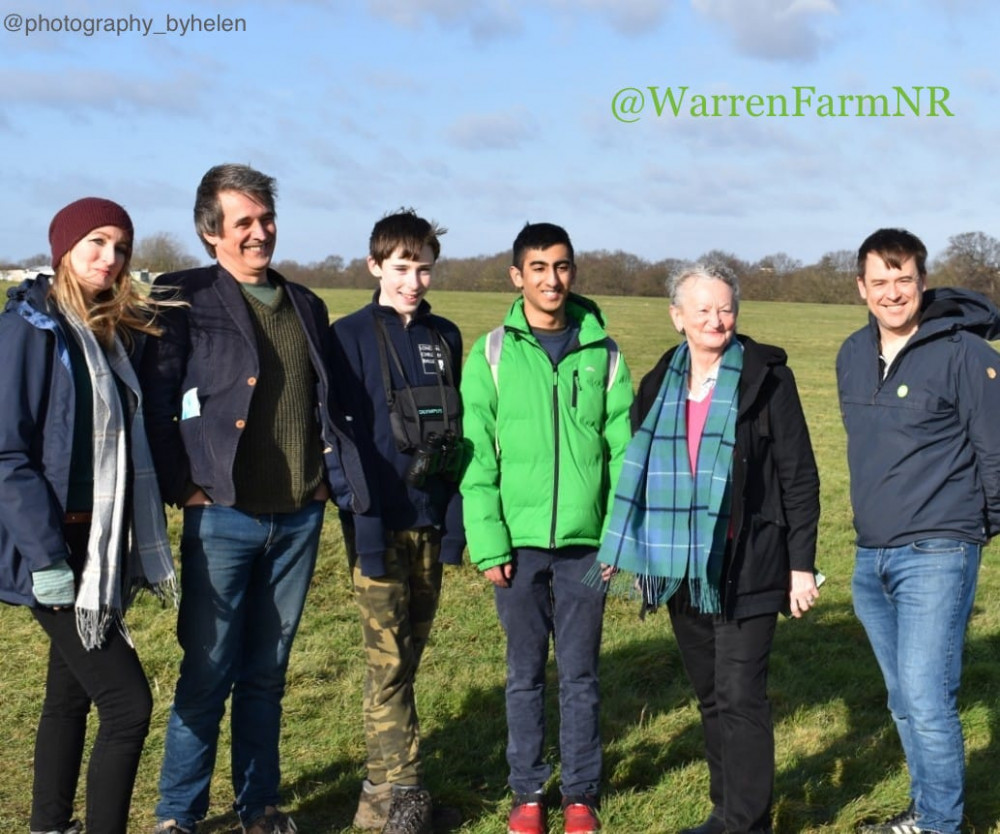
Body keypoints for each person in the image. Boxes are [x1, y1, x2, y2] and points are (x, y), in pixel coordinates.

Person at [140, 164, 369, 834]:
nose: (259, 233)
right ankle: (177, 815)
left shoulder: (306, 303)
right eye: (243, 222)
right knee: (207, 673)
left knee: (267, 676)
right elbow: (159, 405)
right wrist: (187, 485)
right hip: (223, 515)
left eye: (265, 219)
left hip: (298, 518)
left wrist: (324, 481)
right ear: (211, 233)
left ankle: (259, 806)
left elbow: (324, 401)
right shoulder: (183, 296)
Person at [599, 262, 820, 834]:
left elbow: (799, 475)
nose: (715, 320)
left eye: (725, 308)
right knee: (711, 696)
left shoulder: (767, 377)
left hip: (750, 561)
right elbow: (641, 477)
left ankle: (746, 822)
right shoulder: (658, 382)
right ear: (678, 317)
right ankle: (727, 811)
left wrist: (802, 566)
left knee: (741, 694)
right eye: (702, 310)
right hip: (683, 567)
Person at [0, 198, 177, 834]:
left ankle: (49, 825)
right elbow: (7, 452)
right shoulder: (30, 324)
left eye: (121, 247)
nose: (109, 258)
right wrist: (46, 558)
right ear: (64, 248)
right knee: (129, 706)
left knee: (68, 695)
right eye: (96, 242)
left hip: (95, 542)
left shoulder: (104, 330)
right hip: (53, 548)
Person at [460, 222, 632, 834]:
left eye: (560, 267)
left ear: (573, 272)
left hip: (588, 547)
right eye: (537, 267)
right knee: (525, 675)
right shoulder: (491, 354)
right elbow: (476, 455)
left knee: (581, 675)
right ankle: (528, 793)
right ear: (517, 276)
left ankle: (581, 794)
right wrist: (488, 542)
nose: (550, 279)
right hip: (517, 544)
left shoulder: (605, 354)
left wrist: (617, 538)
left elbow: (623, 454)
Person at [837, 229, 1000, 834]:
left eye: (903, 278)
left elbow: (996, 453)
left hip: (938, 550)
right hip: (869, 555)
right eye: (879, 281)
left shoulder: (966, 353)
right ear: (861, 288)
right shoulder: (851, 353)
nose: (892, 292)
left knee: (929, 700)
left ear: (923, 282)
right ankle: (926, 810)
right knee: (904, 701)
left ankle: (941, 825)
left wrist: (972, 531)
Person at [328, 209, 465, 834]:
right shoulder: (347, 336)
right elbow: (340, 440)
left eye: (424, 268)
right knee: (387, 665)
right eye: (402, 267)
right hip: (376, 526)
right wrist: (366, 527)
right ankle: (408, 797)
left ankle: (375, 802)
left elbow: (460, 436)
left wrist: (455, 524)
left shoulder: (448, 336)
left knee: (403, 662)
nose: (414, 280)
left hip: (430, 521)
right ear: (375, 265)